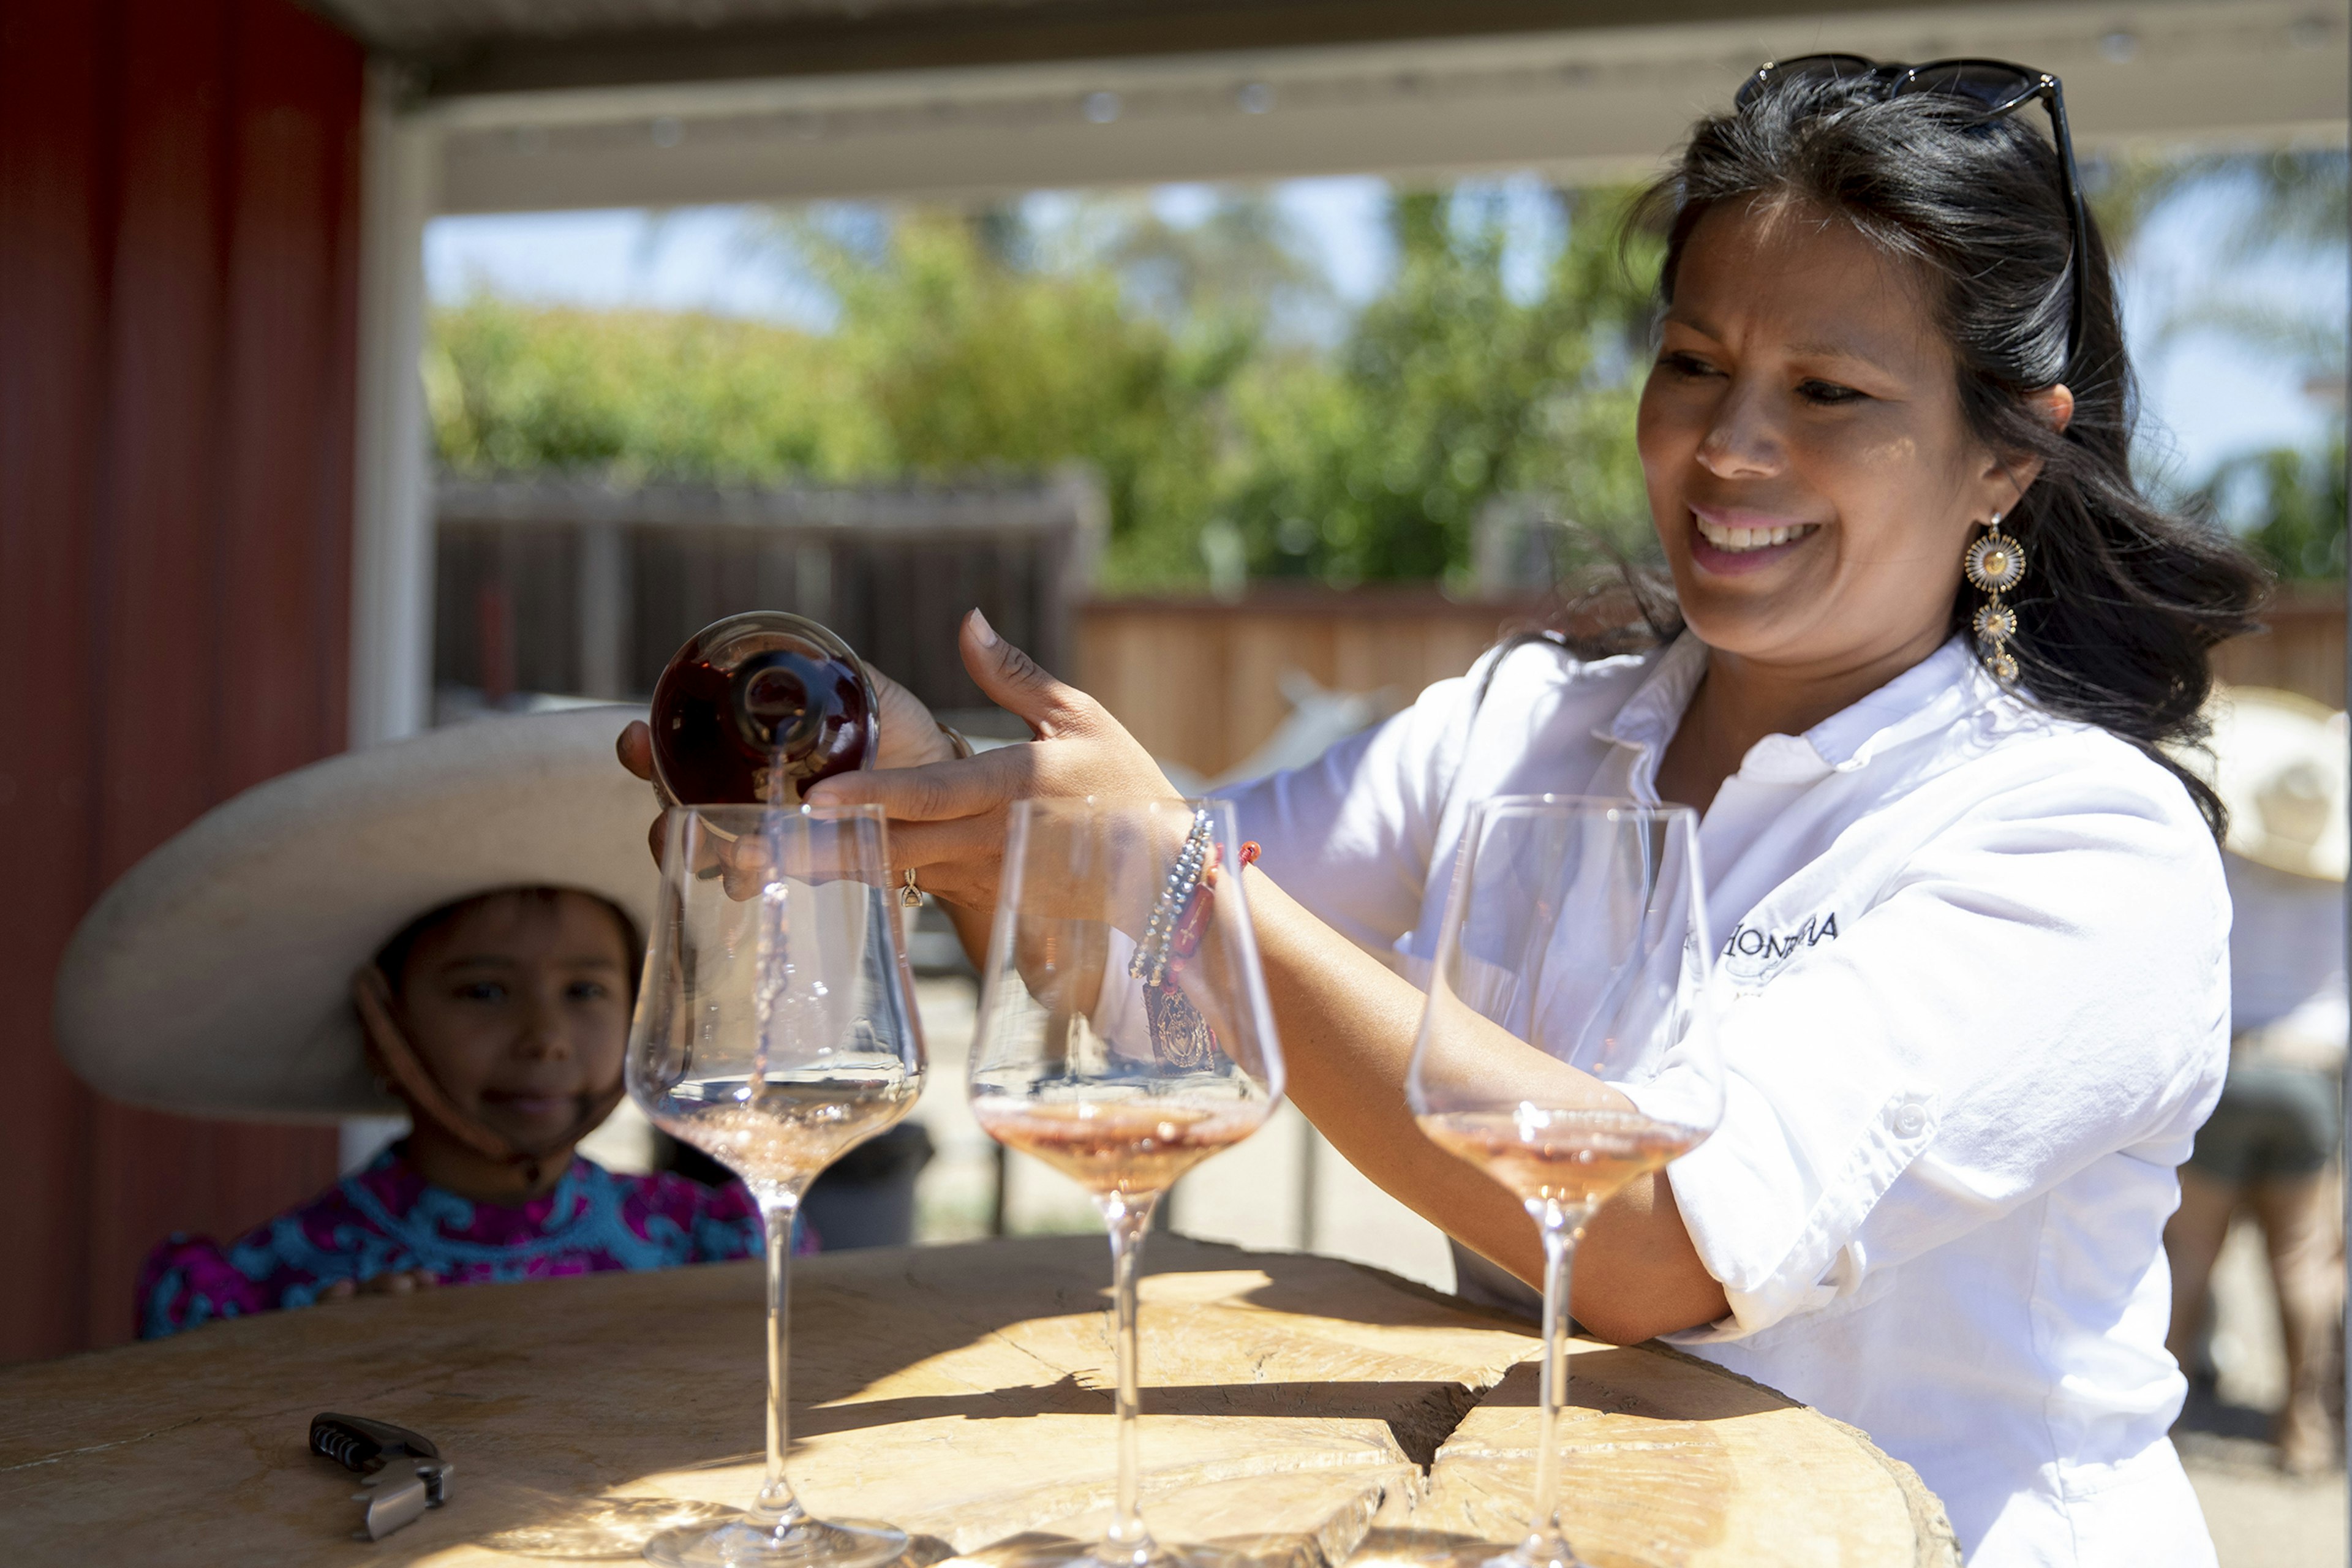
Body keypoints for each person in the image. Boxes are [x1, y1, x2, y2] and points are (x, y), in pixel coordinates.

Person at [624, 56, 2268, 1567]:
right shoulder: (1531, 722)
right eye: (1694, 362)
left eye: (1829, 391)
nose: (1728, 445)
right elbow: (1146, 979)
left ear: (2006, 463)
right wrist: (935, 811)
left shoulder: (2078, 842)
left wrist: (1177, 877)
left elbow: (1650, 1247)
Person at [53, 709, 766, 1340]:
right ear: (382, 1022)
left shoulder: (705, 1247)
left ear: (643, 1008)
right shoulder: (271, 1294)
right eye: (484, 992)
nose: (544, 1036)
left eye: (585, 990)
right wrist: (292, 1373)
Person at [2165, 687, 2347, 1475]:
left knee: (2190, 1252)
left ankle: (2160, 1412)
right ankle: (2302, 1424)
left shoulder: (2227, 863)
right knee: (2304, 1256)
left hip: (2233, 1068)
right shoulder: (2338, 887)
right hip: (2310, 1079)